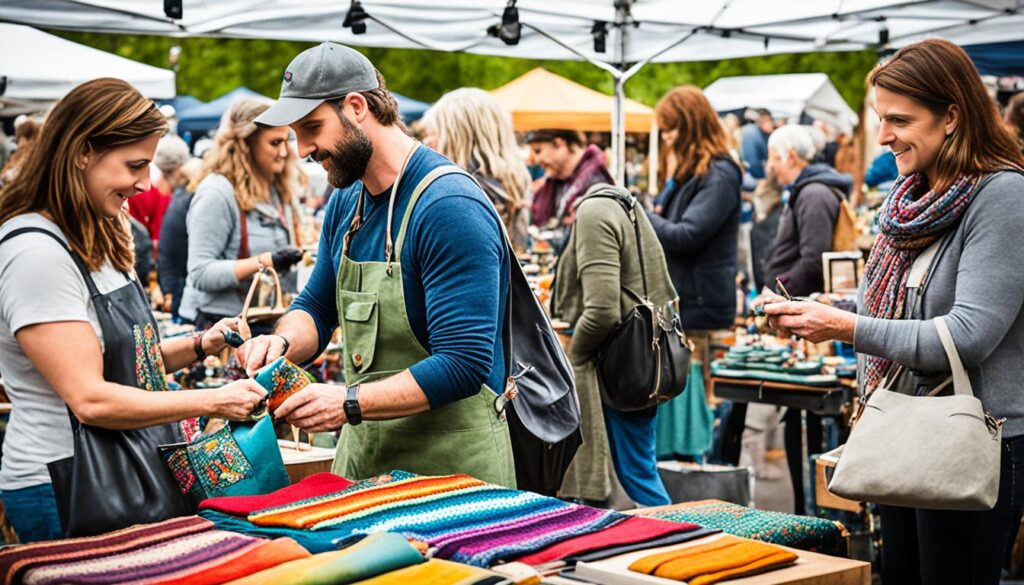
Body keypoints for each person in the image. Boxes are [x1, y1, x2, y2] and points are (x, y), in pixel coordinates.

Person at [760, 39, 1024, 584]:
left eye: (899, 120)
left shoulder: (1002, 197)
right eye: (882, 119)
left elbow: (966, 334)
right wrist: (826, 306)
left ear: (951, 116)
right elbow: (908, 303)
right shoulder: (919, 197)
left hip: (972, 441)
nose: (882, 136)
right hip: (907, 432)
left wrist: (845, 326)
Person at [236, 43, 515, 487]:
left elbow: (464, 362)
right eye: (295, 133)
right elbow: (318, 306)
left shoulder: (448, 205)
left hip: (454, 473)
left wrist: (347, 403)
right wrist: (282, 343)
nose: (303, 148)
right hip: (366, 461)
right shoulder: (346, 199)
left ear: (356, 106)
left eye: (312, 128)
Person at [0, 78, 267, 543]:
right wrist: (212, 400)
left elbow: (122, 360)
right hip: (65, 483)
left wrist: (201, 344)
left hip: (114, 467)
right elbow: (91, 398)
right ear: (83, 152)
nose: (145, 183)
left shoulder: (95, 231)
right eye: (134, 165)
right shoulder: (37, 254)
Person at [551, 183, 675, 507]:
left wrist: (575, 357)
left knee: (637, 479)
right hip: (640, 361)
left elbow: (602, 310)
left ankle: (678, 545)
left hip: (614, 366)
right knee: (640, 470)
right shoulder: (624, 203)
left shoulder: (595, 211)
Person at [760, 124, 852, 515]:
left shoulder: (813, 193)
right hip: (796, 310)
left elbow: (813, 260)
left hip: (803, 314)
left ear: (791, 157)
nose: (769, 166)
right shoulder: (809, 190)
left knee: (809, 429)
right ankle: (806, 509)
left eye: (773, 156)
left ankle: (810, 513)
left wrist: (776, 295)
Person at [178, 98, 305, 332]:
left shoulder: (277, 188)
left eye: (287, 141)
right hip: (221, 328)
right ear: (247, 144)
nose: (284, 152)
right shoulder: (217, 191)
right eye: (275, 143)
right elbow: (200, 272)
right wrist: (266, 262)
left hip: (265, 322)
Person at [646, 86, 743, 390]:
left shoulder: (720, 175)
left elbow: (686, 235)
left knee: (700, 408)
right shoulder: (692, 173)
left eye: (670, 129)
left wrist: (641, 214)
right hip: (686, 305)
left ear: (690, 125)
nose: (666, 137)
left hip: (702, 311)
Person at [425, 88, 531, 252]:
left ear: (460, 135)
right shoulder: (513, 177)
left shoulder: (465, 188)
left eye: (435, 134)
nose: (427, 141)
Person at [527, 129, 613, 228]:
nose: (537, 160)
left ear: (559, 143)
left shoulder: (596, 182)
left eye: (538, 151)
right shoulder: (556, 181)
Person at [158, 141, 199, 322]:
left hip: (184, 287)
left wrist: (169, 291)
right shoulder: (191, 192)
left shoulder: (183, 198)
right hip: (187, 284)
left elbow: (169, 249)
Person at [0, 117, 42, 187]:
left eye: (18, 140)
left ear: (23, 139)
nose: (18, 144)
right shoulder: (36, 152)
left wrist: (4, 178)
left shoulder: (28, 155)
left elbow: (14, 175)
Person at [740, 108, 773, 180]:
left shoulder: (765, 134)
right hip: (755, 175)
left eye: (769, 120)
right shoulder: (750, 133)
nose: (769, 124)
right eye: (765, 120)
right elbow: (752, 162)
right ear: (759, 121)